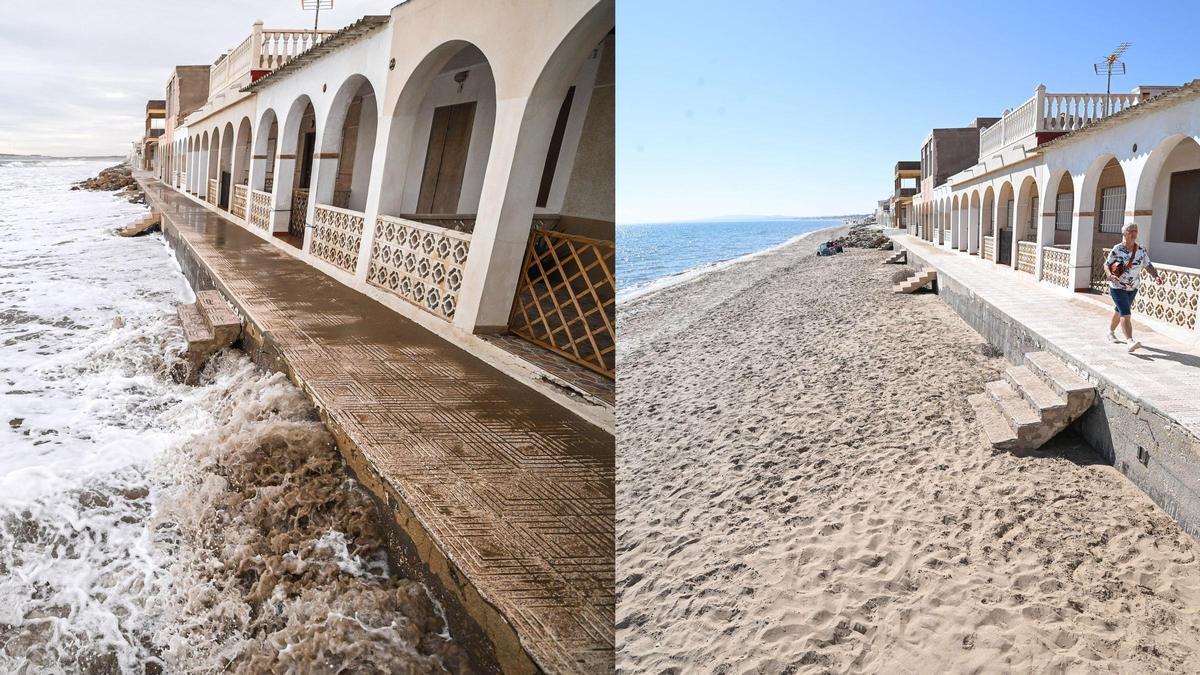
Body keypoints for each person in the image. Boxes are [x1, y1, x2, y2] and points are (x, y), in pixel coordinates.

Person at [1104, 222, 1163, 352]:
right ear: (1124, 233)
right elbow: (1106, 264)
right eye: (1131, 231)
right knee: (1126, 313)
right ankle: (1130, 341)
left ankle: (1110, 332)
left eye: (1135, 231)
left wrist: (1156, 276)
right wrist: (1109, 275)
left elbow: (1148, 265)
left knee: (1119, 311)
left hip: (1133, 287)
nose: (1134, 233)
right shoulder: (1117, 248)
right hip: (1118, 286)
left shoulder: (1141, 249)